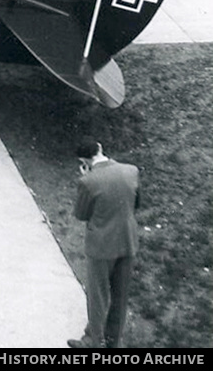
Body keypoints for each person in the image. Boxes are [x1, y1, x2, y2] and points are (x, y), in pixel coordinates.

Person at [67, 137, 141, 349]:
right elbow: (136, 203)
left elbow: (81, 214)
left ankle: (92, 340)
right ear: (100, 148)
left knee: (98, 295)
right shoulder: (132, 171)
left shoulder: (88, 182)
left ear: (83, 159)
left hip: (101, 246)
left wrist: (87, 177)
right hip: (127, 241)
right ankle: (113, 341)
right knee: (121, 294)